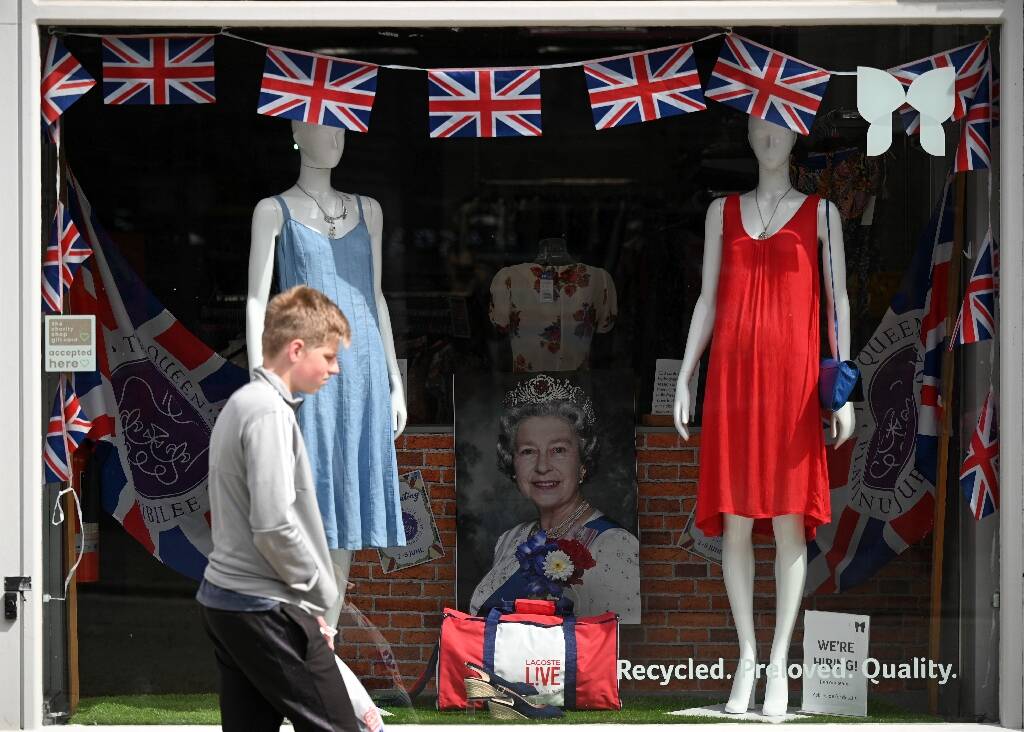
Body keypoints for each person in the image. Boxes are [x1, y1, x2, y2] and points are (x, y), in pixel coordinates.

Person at [672, 116, 855, 716]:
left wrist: (843, 386)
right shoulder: (722, 212)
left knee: (786, 521)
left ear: (797, 137)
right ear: (748, 138)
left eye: (781, 127)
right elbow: (707, 297)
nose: (770, 137)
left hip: (795, 386)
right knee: (735, 522)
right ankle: (747, 656)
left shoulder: (821, 214)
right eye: (759, 127)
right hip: (734, 384)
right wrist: (686, 373)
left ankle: (779, 660)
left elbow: (838, 301)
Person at [197, 284, 361, 732]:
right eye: (328, 356)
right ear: (295, 349)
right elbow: (273, 526)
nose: (335, 368)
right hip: (264, 607)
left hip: (234, 603)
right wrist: (316, 598)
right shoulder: (267, 411)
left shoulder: (246, 404)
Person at [468, 374, 640, 623]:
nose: (542, 466)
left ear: (582, 461)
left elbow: (619, 648)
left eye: (558, 450)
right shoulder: (510, 540)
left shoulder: (615, 546)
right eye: (528, 451)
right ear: (512, 464)